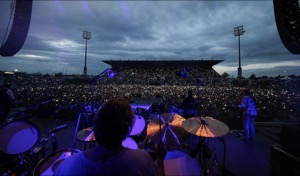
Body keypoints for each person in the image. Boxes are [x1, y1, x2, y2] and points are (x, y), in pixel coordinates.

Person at [54, 98, 164, 175]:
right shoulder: (142, 159)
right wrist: (160, 160)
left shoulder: (67, 165)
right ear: (127, 129)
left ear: (95, 127)